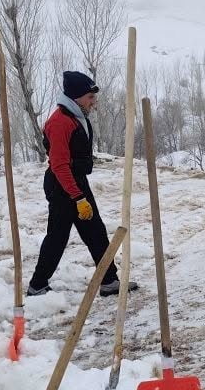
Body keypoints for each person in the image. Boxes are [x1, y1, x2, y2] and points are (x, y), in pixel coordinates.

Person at [28, 71, 135, 298]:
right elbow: (59, 165)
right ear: (76, 97)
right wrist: (77, 197)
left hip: (76, 182)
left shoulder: (75, 116)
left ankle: (108, 280)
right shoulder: (59, 122)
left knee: (95, 231)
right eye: (90, 97)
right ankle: (37, 284)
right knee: (57, 237)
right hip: (62, 185)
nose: (93, 102)